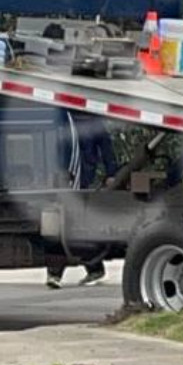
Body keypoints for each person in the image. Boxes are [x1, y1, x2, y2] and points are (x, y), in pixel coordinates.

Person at [47, 111, 120, 289]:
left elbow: (106, 147)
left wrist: (112, 173)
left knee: (70, 225)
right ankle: (87, 269)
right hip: (64, 180)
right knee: (65, 225)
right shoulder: (62, 117)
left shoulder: (92, 121)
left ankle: (59, 273)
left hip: (82, 180)